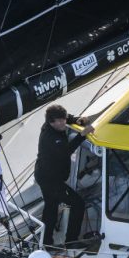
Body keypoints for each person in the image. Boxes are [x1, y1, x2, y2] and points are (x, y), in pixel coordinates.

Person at [34, 104, 94, 248]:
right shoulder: (51, 137)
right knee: (78, 204)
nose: (63, 123)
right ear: (50, 122)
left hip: (44, 174)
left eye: (63, 119)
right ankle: (71, 241)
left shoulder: (55, 121)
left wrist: (78, 120)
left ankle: (47, 242)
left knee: (51, 207)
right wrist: (82, 134)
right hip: (50, 180)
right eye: (59, 121)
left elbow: (68, 118)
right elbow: (66, 151)